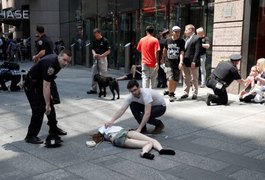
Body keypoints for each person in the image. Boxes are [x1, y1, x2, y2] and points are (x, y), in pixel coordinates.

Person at [23, 49, 72, 144]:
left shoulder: (58, 63)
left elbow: (49, 81)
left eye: (68, 61)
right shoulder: (51, 65)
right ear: (59, 56)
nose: (66, 63)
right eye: (64, 60)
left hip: (40, 83)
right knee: (39, 109)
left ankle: (53, 128)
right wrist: (47, 104)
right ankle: (30, 136)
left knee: (51, 109)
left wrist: (50, 103)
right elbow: (46, 85)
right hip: (32, 85)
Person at [91, 125, 175, 160]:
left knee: (149, 141)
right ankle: (146, 152)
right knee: (149, 142)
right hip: (119, 135)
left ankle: (160, 150)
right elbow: (99, 136)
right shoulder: (102, 129)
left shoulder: (106, 130)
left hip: (123, 133)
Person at [33, 25, 60, 104]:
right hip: (51, 61)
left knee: (49, 80)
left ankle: (55, 98)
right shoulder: (48, 39)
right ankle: (53, 98)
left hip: (46, 63)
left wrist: (36, 56)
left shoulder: (41, 40)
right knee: (48, 79)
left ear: (37, 31)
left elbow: (42, 52)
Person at [161, 26, 185, 102]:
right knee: (170, 78)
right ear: (172, 32)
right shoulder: (167, 40)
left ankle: (171, 92)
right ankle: (171, 94)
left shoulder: (181, 41)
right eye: (176, 31)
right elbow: (164, 50)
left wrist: (181, 62)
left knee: (175, 80)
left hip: (177, 63)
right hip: (169, 62)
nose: (177, 33)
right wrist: (162, 59)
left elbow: (181, 52)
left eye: (179, 32)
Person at [180, 24, 202, 100]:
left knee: (194, 78)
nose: (185, 32)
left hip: (193, 63)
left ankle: (195, 93)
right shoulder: (185, 39)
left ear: (190, 30)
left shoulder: (197, 38)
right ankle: (185, 93)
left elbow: (197, 51)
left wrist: (194, 61)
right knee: (186, 78)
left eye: (186, 30)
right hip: (185, 62)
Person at [87, 28, 111, 94]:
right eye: (95, 36)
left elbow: (108, 50)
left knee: (103, 74)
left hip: (102, 58)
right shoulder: (94, 40)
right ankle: (93, 89)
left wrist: (102, 55)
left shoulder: (105, 40)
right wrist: (94, 54)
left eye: (97, 35)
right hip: (96, 58)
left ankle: (103, 90)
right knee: (94, 73)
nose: (96, 37)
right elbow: (92, 49)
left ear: (100, 33)